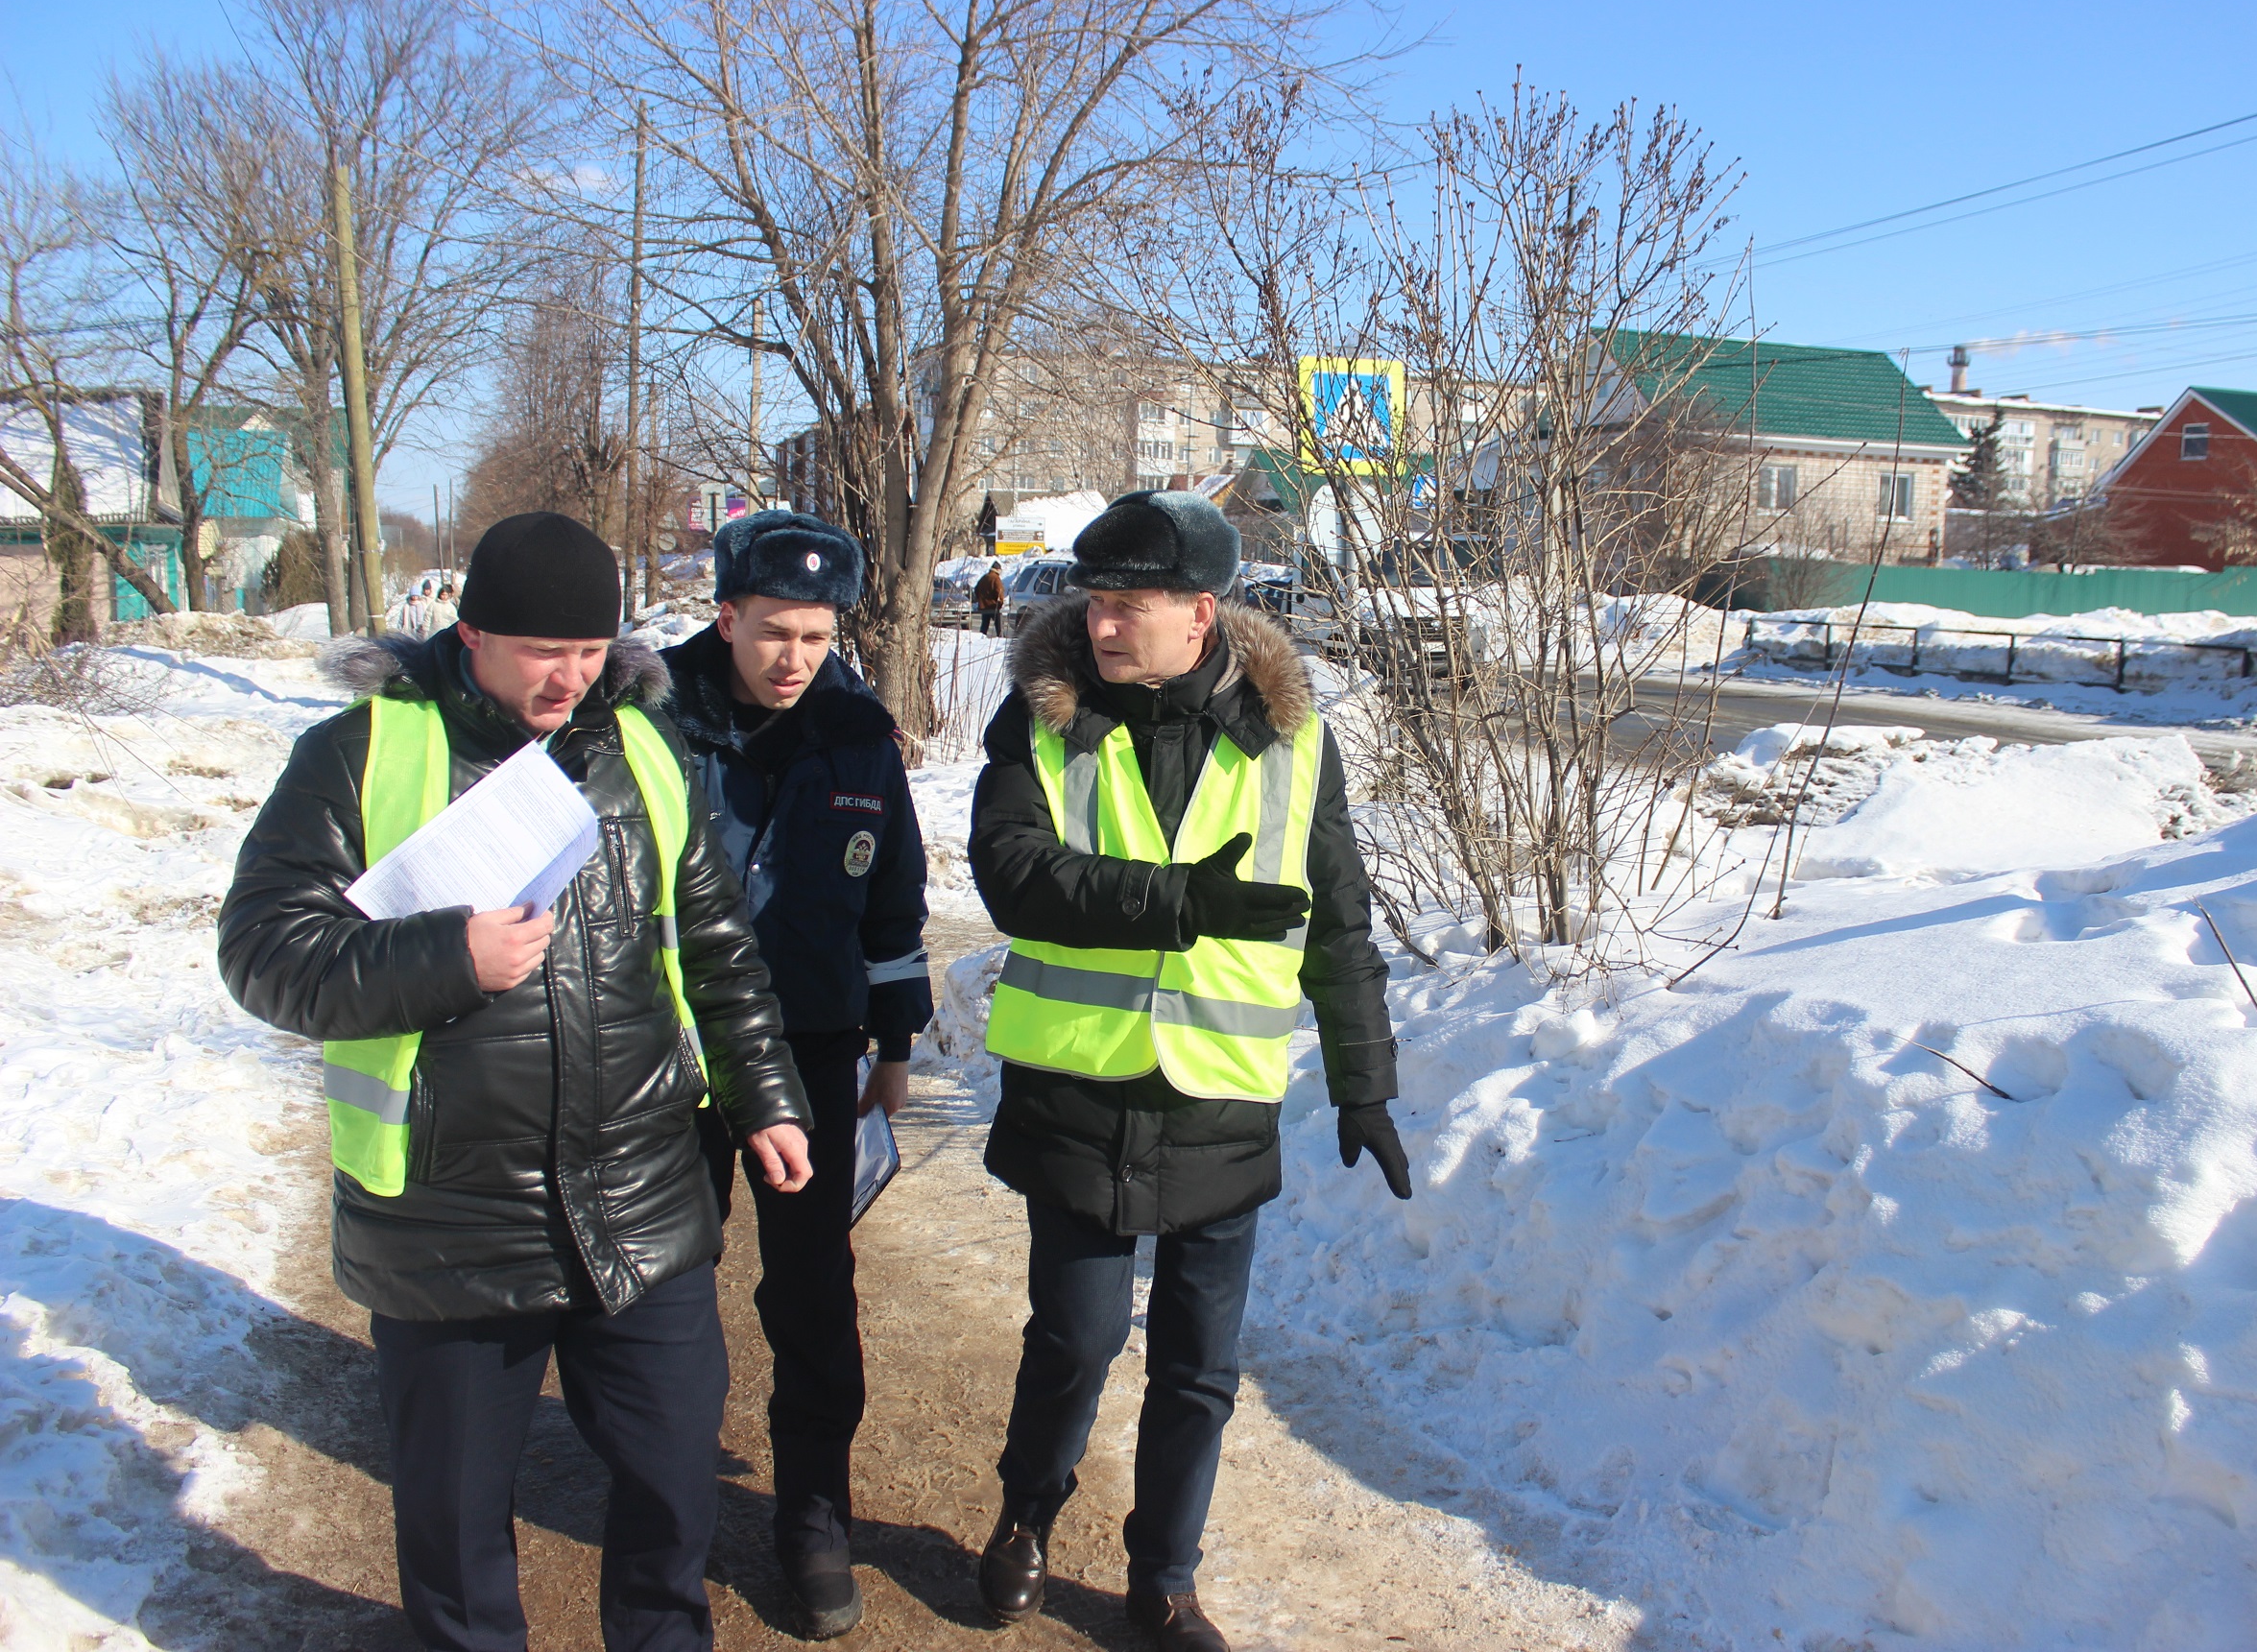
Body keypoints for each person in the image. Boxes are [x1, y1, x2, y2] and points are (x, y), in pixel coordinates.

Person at [217, 512, 814, 1652]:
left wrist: (766, 1096)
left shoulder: (643, 746)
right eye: (545, 652)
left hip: (641, 1196)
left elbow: (718, 946)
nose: (570, 679)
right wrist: (445, 956)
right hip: (448, 1222)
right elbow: (260, 952)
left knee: (675, 1487)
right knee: (453, 1528)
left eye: (590, 653)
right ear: (471, 630)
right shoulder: (360, 753)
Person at [966, 490, 1411, 1652]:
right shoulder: (1041, 719)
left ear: (1201, 614)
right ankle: (1025, 1515)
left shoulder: (1293, 738)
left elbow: (1340, 921)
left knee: (1200, 1366)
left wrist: (1364, 1079)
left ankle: (1163, 1582)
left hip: (1222, 1091)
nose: (1102, 625)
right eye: (1094, 602)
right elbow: (1012, 873)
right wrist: (1175, 904)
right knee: (1076, 1339)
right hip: (1080, 1084)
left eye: (1129, 607)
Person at [660, 510, 933, 1639]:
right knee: (664, 1293)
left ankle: (815, 1514)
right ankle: (662, 1513)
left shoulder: (858, 733)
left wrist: (898, 1043)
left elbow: (892, 900)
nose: (793, 659)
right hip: (670, 1051)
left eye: (815, 637)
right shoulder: (649, 720)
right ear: (726, 616)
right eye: (773, 632)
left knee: (812, 1290)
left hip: (816, 1049)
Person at [974, 560, 1006, 637]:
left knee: (984, 626)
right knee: (999, 627)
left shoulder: (984, 578)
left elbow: (976, 589)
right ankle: (1000, 639)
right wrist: (1000, 603)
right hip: (993, 606)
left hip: (984, 607)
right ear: (998, 570)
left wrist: (980, 600)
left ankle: (980, 639)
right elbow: (999, 591)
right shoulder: (996, 578)